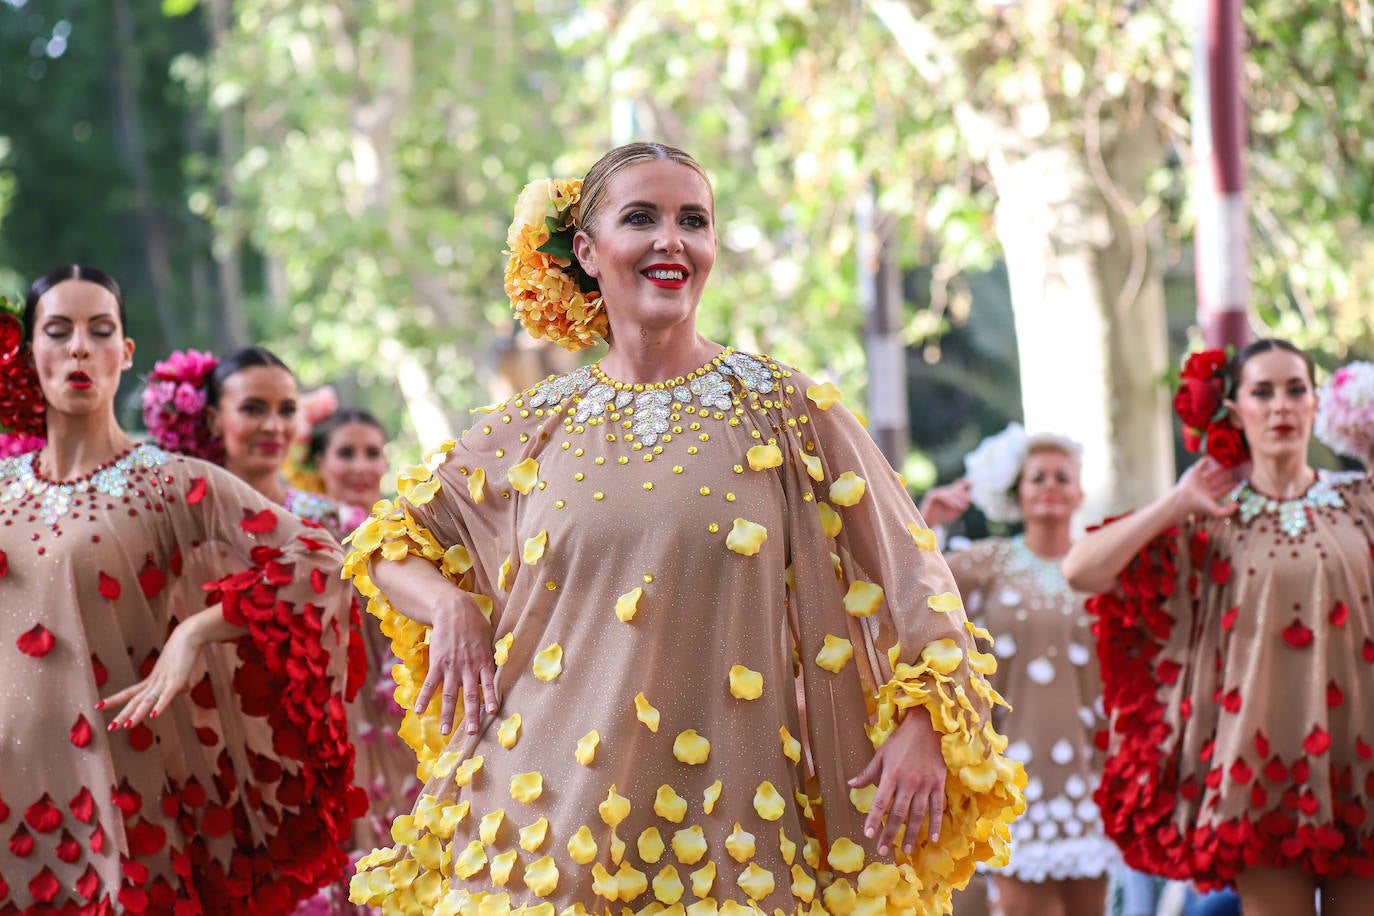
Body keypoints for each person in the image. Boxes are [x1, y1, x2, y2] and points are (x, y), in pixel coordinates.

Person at [344, 142, 1025, 915]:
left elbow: (915, 576)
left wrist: (926, 723)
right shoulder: (536, 423)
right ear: (588, 251)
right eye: (642, 218)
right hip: (535, 833)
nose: (671, 240)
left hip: (727, 839)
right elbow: (388, 541)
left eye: (692, 221)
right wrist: (449, 607)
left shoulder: (784, 408)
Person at [0, 265, 360, 912]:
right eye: (57, 331)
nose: (79, 348)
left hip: (119, 784)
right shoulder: (2, 487)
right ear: (28, 353)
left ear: (125, 352)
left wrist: (197, 631)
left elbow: (319, 557)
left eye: (99, 331)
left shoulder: (169, 480)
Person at [1063, 339, 1374, 916]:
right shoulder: (1208, 517)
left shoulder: (1362, 502)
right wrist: (1176, 502)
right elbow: (1081, 570)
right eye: (1262, 392)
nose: (1280, 406)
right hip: (1259, 783)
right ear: (1235, 409)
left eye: (1295, 390)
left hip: (1361, 769)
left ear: (1315, 404)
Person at [919, 424, 1117, 916]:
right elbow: (916, 587)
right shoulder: (990, 562)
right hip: (1010, 773)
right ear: (1017, 494)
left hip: (1090, 776)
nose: (1050, 486)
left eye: (1062, 477)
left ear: (1079, 493)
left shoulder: (1100, 568)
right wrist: (929, 519)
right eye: (1037, 477)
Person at [309, 407, 390, 533]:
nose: (361, 467)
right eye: (346, 453)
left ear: (386, 462)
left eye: (373, 453)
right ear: (320, 464)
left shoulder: (411, 534)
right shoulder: (301, 535)